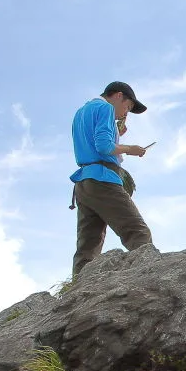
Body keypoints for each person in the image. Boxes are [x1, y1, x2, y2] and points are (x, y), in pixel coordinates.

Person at [69, 81, 152, 277]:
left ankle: (78, 289)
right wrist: (130, 149)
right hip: (103, 180)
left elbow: (92, 142)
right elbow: (104, 147)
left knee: (87, 246)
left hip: (84, 183)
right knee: (138, 232)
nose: (126, 113)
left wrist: (116, 134)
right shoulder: (105, 108)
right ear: (118, 95)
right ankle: (149, 278)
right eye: (128, 106)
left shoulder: (81, 112)